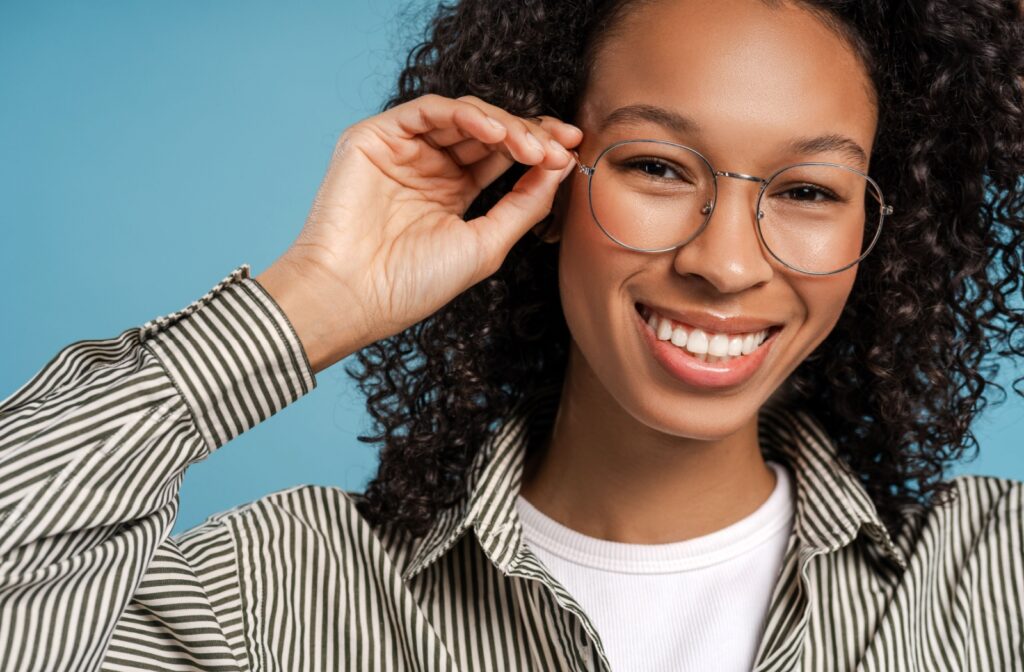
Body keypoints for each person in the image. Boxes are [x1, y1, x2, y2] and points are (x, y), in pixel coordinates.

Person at [1, 0, 1022, 670]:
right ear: (540, 174)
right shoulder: (269, 595)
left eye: (806, 190)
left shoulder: (992, 575)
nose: (725, 262)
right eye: (659, 168)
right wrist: (307, 301)